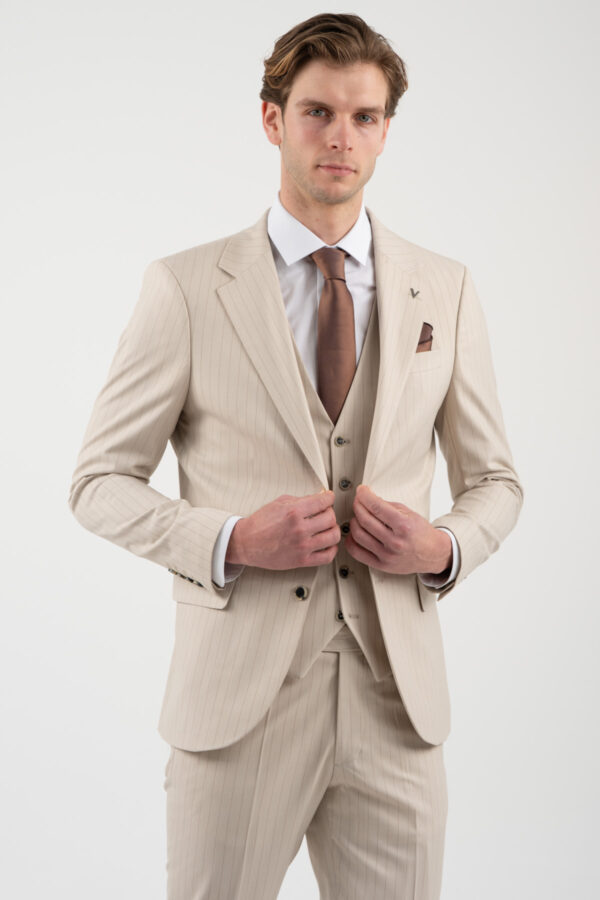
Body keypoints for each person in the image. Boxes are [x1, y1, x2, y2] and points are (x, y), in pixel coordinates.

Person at [68, 12, 523, 900]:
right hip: (240, 707)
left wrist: (443, 548)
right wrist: (232, 539)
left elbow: (496, 481)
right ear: (273, 119)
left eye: (363, 116)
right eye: (318, 112)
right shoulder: (187, 288)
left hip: (397, 710)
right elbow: (97, 483)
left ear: (385, 131)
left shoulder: (446, 288)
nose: (340, 136)